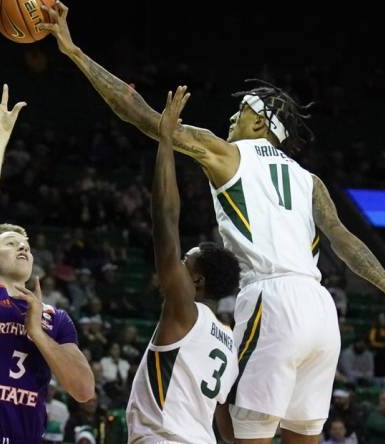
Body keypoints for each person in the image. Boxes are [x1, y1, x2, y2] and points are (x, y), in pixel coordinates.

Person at [39, 6, 385, 443]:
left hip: (271, 299)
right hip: (321, 309)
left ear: (259, 121)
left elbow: (142, 116)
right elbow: (345, 241)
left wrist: (73, 51)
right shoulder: (309, 180)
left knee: (248, 438)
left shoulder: (226, 152)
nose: (230, 120)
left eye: (239, 112)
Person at [0, 83, 93, 443]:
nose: (23, 248)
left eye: (26, 244)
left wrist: (38, 334)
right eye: (11, 243)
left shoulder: (56, 319)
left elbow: (84, 390)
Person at [125, 87, 241, 443]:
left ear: (198, 280)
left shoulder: (184, 312)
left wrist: (164, 141)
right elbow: (223, 413)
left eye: (185, 260)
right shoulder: (229, 343)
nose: (178, 260)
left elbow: (166, 219)